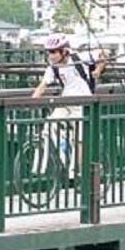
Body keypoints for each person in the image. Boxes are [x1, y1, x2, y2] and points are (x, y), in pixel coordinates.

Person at [31, 33, 107, 173]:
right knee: (49, 125)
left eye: (53, 52)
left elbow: (104, 54)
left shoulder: (79, 58)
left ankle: (81, 172)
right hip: (65, 102)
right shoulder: (53, 67)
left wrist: (97, 70)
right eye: (48, 52)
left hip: (83, 104)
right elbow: (42, 85)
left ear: (64, 51)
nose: (51, 55)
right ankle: (64, 153)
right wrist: (31, 101)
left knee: (79, 139)